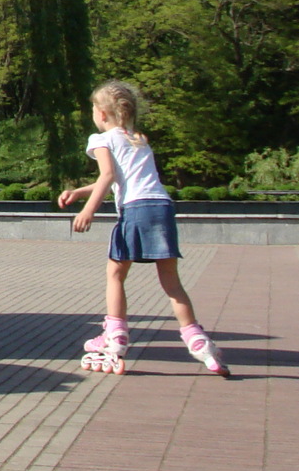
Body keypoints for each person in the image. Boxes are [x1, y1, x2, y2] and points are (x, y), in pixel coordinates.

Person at [57, 81, 227, 375]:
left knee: (115, 274)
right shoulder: (138, 139)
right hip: (161, 207)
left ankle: (116, 336)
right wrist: (79, 192)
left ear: (101, 113)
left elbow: (108, 175)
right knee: (172, 284)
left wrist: (87, 210)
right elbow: (123, 177)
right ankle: (200, 343)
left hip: (135, 210)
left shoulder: (100, 139)